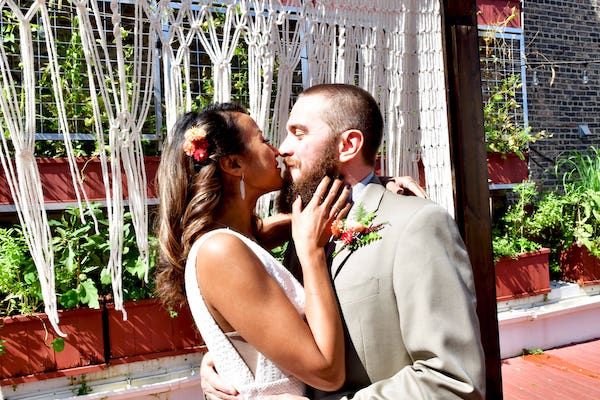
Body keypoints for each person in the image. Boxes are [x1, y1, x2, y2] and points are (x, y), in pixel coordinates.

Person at [201, 84, 486, 399]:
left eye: (299, 133)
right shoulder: (306, 232)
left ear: (348, 145)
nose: (282, 148)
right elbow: (294, 337)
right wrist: (234, 359)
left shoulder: (416, 225)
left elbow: (453, 380)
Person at [155, 103, 353, 397]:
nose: (279, 151)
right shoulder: (221, 251)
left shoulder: (242, 238)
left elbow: (288, 225)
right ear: (234, 165)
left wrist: (371, 191)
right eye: (263, 140)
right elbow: (326, 372)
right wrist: (312, 255)